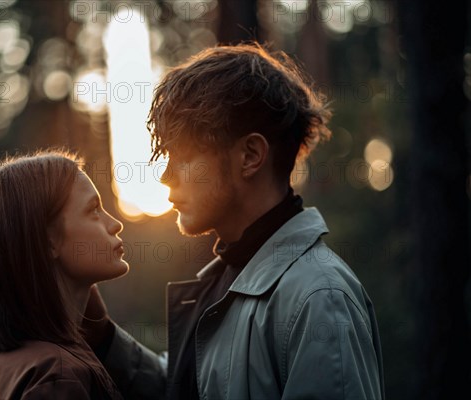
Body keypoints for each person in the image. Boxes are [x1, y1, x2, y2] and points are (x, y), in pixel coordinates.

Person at [84, 43, 385, 399]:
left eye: (183, 156)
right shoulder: (232, 275)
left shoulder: (318, 297)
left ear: (250, 156)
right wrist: (101, 334)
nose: (165, 176)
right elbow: (188, 388)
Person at [0, 150, 127, 399]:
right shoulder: (57, 377)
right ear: (47, 241)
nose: (115, 224)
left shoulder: (10, 361)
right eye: (93, 210)